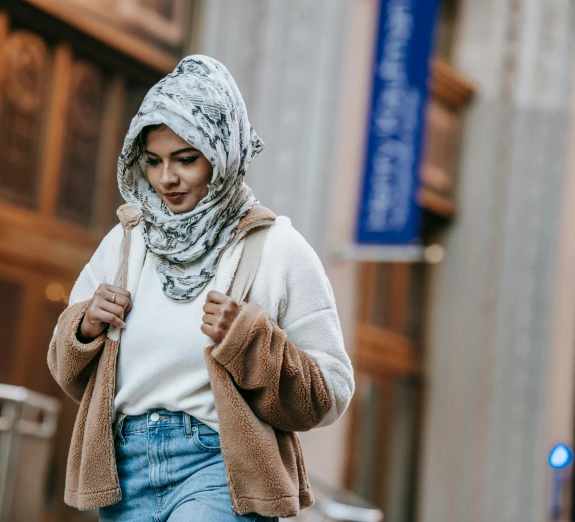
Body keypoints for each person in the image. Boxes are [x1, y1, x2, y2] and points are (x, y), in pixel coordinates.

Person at [48, 55, 354, 522]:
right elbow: (63, 367)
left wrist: (251, 341)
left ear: (222, 153)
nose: (166, 178)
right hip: (124, 466)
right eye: (153, 161)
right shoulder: (126, 241)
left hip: (220, 468)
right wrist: (85, 327)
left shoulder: (278, 248)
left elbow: (330, 393)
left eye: (185, 159)